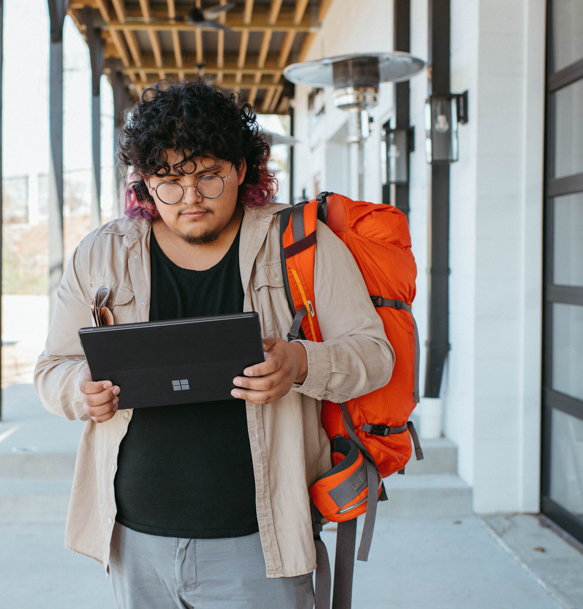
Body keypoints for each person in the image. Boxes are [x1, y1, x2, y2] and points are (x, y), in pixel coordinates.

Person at [34, 80, 394, 609]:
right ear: (145, 184)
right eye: (170, 181)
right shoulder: (103, 253)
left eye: (209, 176)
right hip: (135, 542)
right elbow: (52, 369)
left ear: (242, 170)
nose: (192, 198)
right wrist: (78, 388)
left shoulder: (301, 244)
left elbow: (373, 355)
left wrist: (299, 362)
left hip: (261, 545)